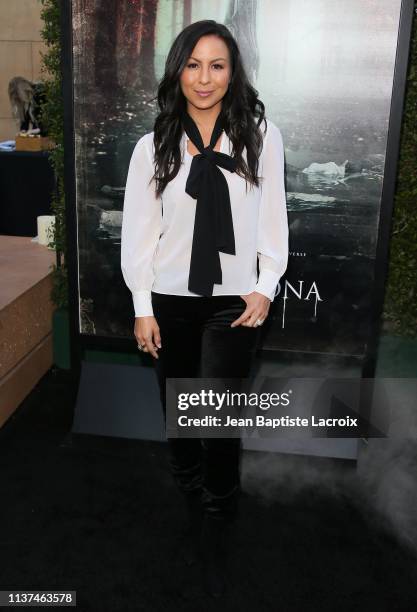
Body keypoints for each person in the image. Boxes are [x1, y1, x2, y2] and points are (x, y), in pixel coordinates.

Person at [120, 19, 289, 598]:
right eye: (193, 65)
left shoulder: (261, 138)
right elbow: (140, 237)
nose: (204, 78)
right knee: (180, 412)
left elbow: (273, 221)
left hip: (232, 304)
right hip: (169, 298)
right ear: (178, 71)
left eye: (217, 65)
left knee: (215, 417)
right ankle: (187, 493)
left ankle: (221, 518)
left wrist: (266, 285)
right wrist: (143, 305)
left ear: (233, 72)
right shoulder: (153, 146)